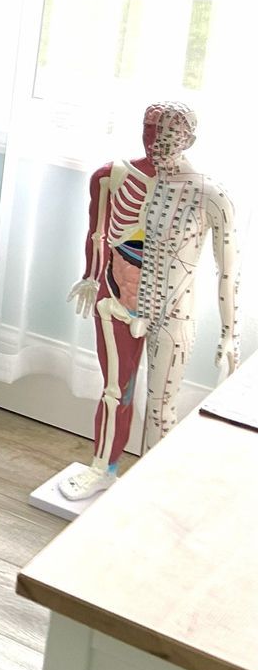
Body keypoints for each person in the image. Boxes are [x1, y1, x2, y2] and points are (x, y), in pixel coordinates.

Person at [60, 101, 238, 501]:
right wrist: (92, 276)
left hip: (174, 311)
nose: (157, 137)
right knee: (114, 390)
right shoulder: (112, 175)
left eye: (168, 130)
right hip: (117, 299)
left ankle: (151, 492)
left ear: (189, 138)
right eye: (151, 126)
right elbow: (99, 233)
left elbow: (227, 267)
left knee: (162, 409)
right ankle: (102, 468)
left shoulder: (207, 192)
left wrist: (231, 332)